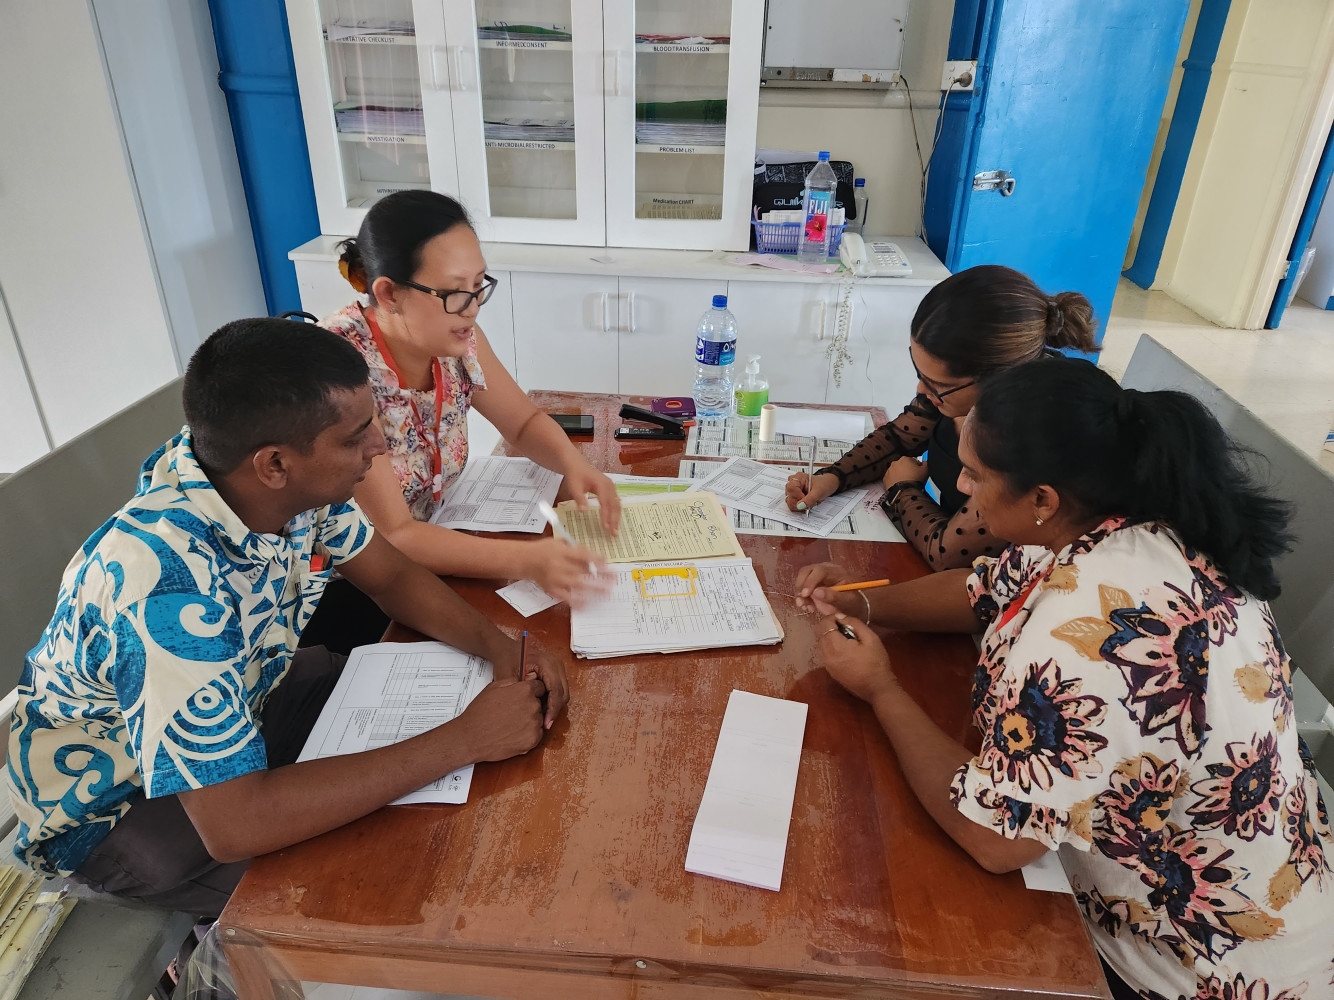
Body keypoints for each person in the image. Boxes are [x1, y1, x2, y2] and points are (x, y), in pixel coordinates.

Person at [797, 358, 1333, 996]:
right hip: (1273, 888)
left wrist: (880, 687)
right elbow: (983, 590)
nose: (961, 489)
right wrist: (863, 603)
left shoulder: (1091, 639)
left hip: (1200, 965)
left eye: (972, 474)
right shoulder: (1126, 529)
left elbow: (994, 839)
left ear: (1042, 499)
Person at [6, 319, 568, 918]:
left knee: (399, 729)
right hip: (127, 806)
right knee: (388, 883)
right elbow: (236, 822)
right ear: (274, 464)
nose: (379, 447)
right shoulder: (163, 588)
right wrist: (465, 740)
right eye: (356, 438)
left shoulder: (269, 487)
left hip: (247, 696)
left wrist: (503, 645)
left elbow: (392, 577)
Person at [310, 190, 619, 651]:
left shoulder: (458, 338)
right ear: (389, 293)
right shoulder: (343, 371)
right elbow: (394, 536)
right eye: (455, 292)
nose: (473, 307)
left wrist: (573, 465)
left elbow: (521, 422)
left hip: (434, 549)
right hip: (351, 590)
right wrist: (531, 560)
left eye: (479, 286)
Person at [784, 265, 1096, 570]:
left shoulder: (1035, 431)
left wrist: (902, 489)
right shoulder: (954, 394)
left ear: (998, 379)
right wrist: (831, 478)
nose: (922, 389)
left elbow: (950, 554)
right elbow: (898, 439)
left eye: (938, 385)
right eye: (920, 373)